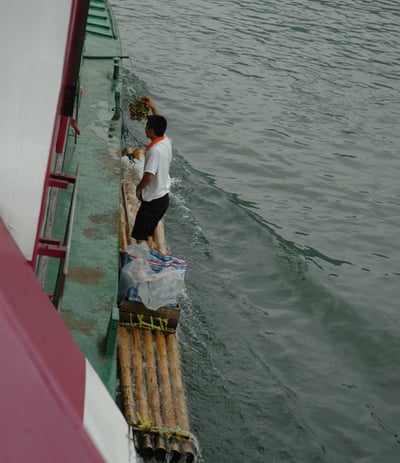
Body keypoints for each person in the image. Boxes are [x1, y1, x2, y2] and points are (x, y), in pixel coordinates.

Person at [131, 96, 172, 246]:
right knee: (147, 232)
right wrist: (152, 106)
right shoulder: (165, 140)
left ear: (152, 131)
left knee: (139, 235)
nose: (145, 128)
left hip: (153, 200)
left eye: (147, 126)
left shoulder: (155, 151)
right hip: (163, 198)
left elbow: (149, 175)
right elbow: (159, 123)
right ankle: (147, 256)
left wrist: (139, 188)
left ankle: (141, 265)